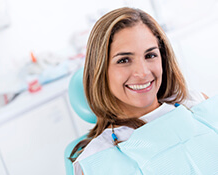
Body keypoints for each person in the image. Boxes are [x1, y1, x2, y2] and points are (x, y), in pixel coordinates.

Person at [68, 7, 218, 175]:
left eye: (150, 55)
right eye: (124, 60)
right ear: (100, 70)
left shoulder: (196, 103)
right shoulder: (97, 160)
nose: (143, 72)